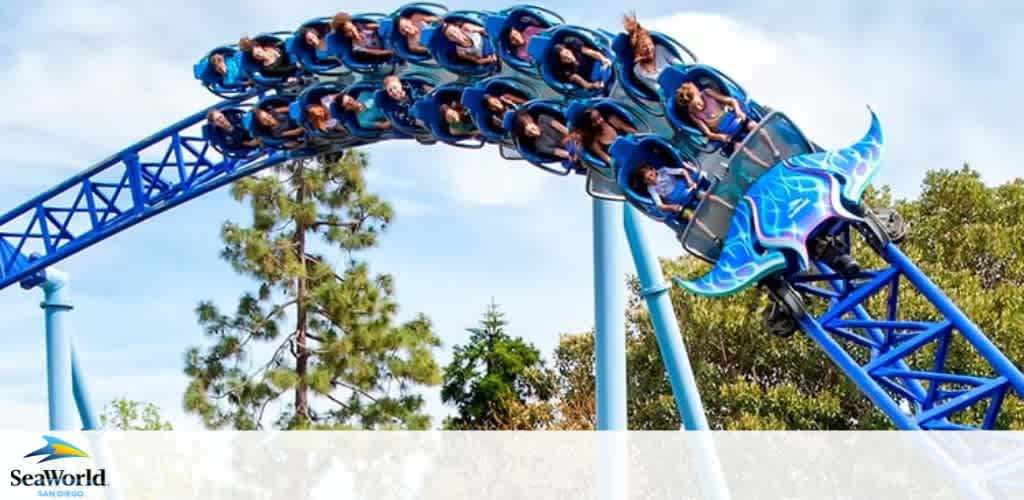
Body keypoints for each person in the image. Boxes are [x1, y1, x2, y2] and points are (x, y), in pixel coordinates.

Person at [675, 81, 782, 167]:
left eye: (698, 103)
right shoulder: (693, 114)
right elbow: (707, 132)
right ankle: (765, 166)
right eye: (694, 107)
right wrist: (719, 136)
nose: (698, 108)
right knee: (739, 149)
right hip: (724, 133)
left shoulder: (707, 93)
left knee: (754, 126)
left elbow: (731, 101)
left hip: (734, 120)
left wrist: (738, 111)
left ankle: (775, 151)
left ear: (698, 93)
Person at [632, 163, 729, 240]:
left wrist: (690, 181)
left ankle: (730, 207)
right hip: (678, 204)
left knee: (706, 196)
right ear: (645, 182)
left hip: (686, 191)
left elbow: (683, 171)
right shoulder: (651, 188)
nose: (652, 179)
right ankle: (714, 238)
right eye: (648, 179)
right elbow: (660, 205)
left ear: (653, 170)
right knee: (691, 217)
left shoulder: (664, 170)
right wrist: (673, 207)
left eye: (651, 175)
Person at [622, 12, 680, 90]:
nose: (649, 49)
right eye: (644, 47)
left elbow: (679, 65)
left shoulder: (660, 49)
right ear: (637, 51)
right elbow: (655, 88)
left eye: (650, 44)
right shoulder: (637, 70)